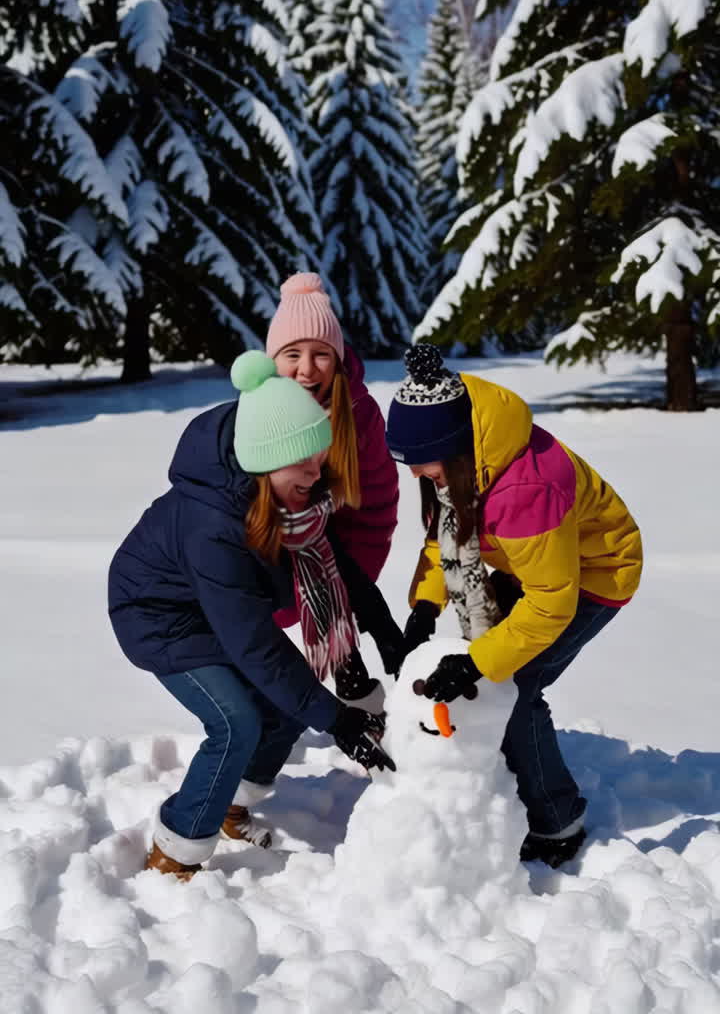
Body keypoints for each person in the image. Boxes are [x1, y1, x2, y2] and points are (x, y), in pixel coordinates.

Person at [109, 351, 398, 880]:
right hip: (157, 616)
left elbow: (335, 564)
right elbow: (255, 645)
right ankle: (176, 848)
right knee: (235, 721)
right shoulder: (214, 528)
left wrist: (386, 630)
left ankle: (229, 805)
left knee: (286, 707)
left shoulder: (290, 496)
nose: (317, 471)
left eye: (320, 455)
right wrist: (338, 720)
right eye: (303, 461)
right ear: (265, 461)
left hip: (212, 609)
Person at [386, 344, 643, 868]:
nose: (414, 475)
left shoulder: (525, 489)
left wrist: (480, 662)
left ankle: (557, 821)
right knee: (491, 671)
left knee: (517, 685)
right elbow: (445, 537)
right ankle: (506, 766)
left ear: (453, 449)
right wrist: (425, 605)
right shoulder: (465, 454)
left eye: (421, 462)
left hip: (595, 574)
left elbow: (551, 604)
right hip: (531, 563)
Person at [267, 272, 400, 704]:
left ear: (337, 358)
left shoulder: (357, 412)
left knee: (348, 597)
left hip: (336, 548)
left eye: (320, 354)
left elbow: (377, 497)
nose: (307, 369)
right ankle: (276, 709)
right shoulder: (260, 413)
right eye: (293, 354)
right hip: (270, 543)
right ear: (274, 359)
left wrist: (356, 577)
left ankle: (369, 700)